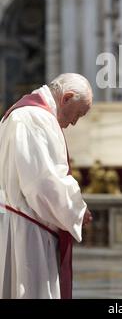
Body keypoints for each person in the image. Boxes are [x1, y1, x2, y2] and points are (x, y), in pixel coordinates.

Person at [0, 73, 93, 299]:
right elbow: (42, 182)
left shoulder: (27, 113)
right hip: (28, 233)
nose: (74, 122)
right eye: (78, 114)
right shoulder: (33, 117)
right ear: (66, 98)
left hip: (24, 223)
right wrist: (77, 210)